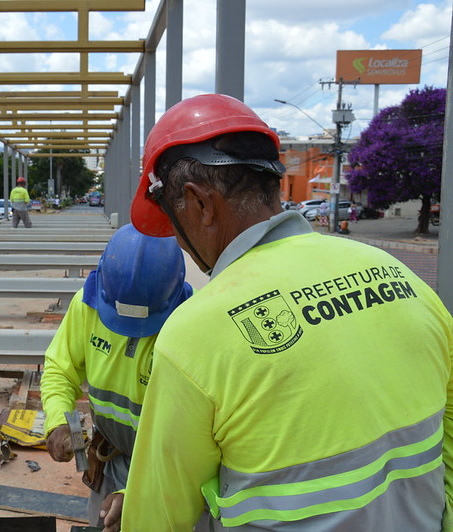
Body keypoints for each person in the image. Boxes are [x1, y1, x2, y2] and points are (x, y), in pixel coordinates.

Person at [107, 93, 453, 531]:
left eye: (175, 221)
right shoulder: (401, 277)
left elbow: (156, 518)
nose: (178, 241)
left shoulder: (197, 333)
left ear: (199, 203)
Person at [40, 223, 192, 529]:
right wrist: (58, 420)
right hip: (115, 459)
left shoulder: (193, 325)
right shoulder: (89, 304)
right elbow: (60, 367)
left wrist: (139, 493)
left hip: (169, 475)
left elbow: (193, 444)